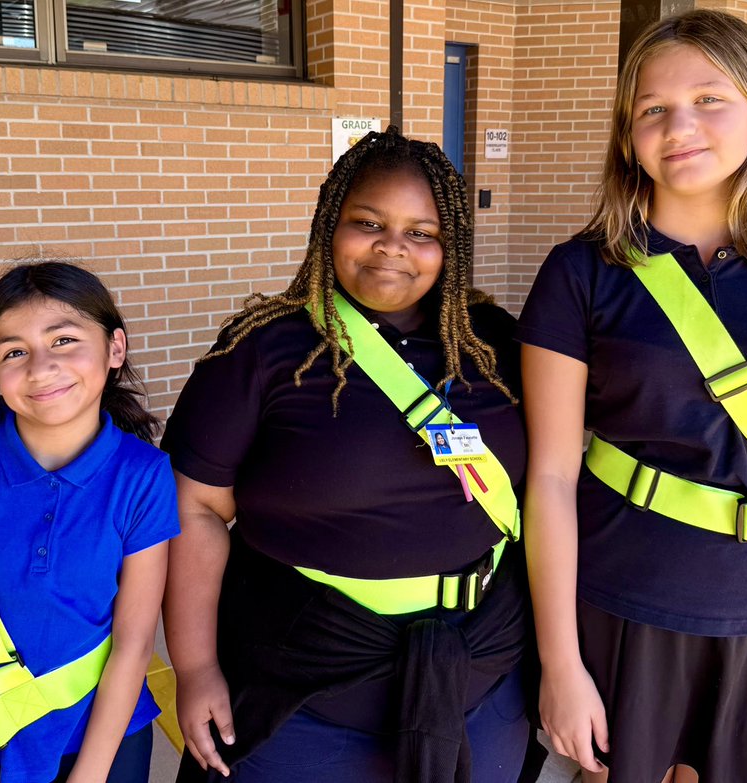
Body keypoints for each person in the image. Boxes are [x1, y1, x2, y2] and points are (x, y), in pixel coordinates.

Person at [518, 10, 747, 783]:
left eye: (709, 98)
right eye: (652, 108)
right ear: (627, 133)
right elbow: (548, 477)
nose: (679, 124)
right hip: (626, 605)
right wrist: (561, 665)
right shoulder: (580, 274)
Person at [162, 127, 535, 783]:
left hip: (480, 673)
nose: (394, 247)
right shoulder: (266, 348)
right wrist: (194, 668)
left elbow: (552, 487)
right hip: (305, 688)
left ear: (451, 248)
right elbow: (193, 506)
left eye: (423, 232)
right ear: (329, 224)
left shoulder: (495, 344)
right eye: (368, 223)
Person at [0, 261, 179, 783]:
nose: (40, 367)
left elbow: (134, 643)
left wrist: (91, 774)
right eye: (14, 351)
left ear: (114, 349)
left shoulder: (144, 476)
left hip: (106, 740)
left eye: (65, 340)